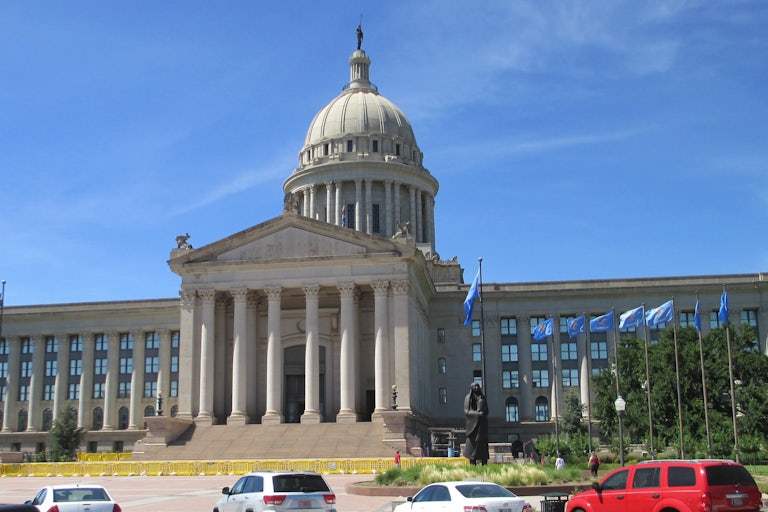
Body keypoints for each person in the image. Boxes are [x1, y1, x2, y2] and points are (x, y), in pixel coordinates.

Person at [463, 382, 489, 465]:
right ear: (471, 388)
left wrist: (483, 413)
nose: (476, 387)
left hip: (482, 425)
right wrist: (477, 414)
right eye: (474, 386)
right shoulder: (468, 398)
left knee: (482, 442)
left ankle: (484, 462)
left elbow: (487, 411)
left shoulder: (482, 398)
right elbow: (466, 412)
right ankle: (472, 461)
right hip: (472, 425)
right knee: (472, 443)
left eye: (477, 386)